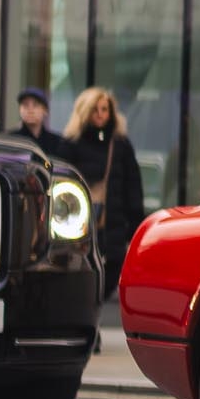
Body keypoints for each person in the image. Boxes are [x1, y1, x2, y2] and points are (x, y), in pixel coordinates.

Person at [64, 87, 146, 292]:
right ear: (85, 111)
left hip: (113, 224)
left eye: (104, 109)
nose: (100, 114)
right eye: (95, 109)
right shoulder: (71, 144)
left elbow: (133, 186)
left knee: (111, 273)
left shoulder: (120, 145)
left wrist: (135, 227)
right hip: (79, 223)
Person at [11, 88, 69, 161]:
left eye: (35, 105)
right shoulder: (11, 140)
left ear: (45, 111)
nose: (30, 110)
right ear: (20, 110)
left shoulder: (57, 142)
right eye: (25, 105)